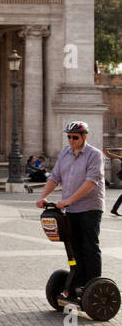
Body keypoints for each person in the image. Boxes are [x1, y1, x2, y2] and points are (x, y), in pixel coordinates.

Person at [38, 121, 106, 301]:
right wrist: (43, 196)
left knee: (89, 246)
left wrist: (68, 200)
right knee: (74, 246)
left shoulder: (94, 155)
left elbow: (91, 182)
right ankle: (77, 284)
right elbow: (54, 177)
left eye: (75, 137)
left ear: (84, 136)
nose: (71, 140)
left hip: (90, 207)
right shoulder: (65, 153)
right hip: (70, 210)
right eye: (68, 137)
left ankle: (92, 285)